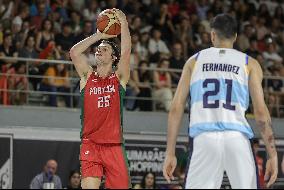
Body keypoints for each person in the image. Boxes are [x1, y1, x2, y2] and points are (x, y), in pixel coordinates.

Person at [163, 14, 278, 189]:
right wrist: (273, 155)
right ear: (236, 36)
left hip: (204, 138)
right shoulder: (250, 63)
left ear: (212, 35)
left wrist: (170, 152)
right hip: (237, 138)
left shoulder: (193, 62)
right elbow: (261, 113)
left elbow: (176, 108)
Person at [69, 9, 131, 189]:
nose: (99, 50)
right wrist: (99, 35)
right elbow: (74, 52)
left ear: (113, 57)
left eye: (104, 49)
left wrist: (124, 23)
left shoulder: (119, 78)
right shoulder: (87, 77)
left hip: (114, 145)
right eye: (98, 49)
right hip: (91, 144)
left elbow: (126, 52)